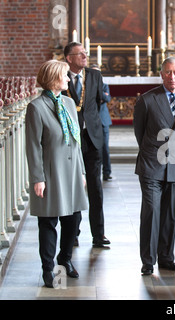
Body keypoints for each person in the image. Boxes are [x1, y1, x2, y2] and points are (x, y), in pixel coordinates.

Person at [25, 60, 88, 288]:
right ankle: (48, 269)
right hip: (50, 173)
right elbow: (33, 146)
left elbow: (76, 141)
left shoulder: (70, 103)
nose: (69, 79)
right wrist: (37, 178)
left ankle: (65, 259)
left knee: (74, 219)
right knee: (49, 222)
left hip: (71, 172)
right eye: (65, 75)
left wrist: (81, 170)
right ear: (53, 78)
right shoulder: (36, 107)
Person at [134, 57, 175, 275]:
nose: (172, 77)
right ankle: (148, 261)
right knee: (151, 212)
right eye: (168, 72)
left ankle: (167, 257)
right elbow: (139, 133)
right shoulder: (147, 100)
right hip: (151, 165)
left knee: (170, 214)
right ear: (161, 74)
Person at [63, 42, 110, 247]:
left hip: (92, 139)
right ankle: (73, 233)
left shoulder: (94, 75)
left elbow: (99, 101)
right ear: (69, 58)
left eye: (85, 53)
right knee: (74, 187)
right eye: (80, 54)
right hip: (70, 141)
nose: (84, 56)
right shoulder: (61, 75)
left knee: (95, 188)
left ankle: (98, 235)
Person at [91, 64, 113, 181]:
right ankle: (95, 173)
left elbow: (107, 98)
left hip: (103, 120)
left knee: (105, 148)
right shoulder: (87, 87)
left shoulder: (104, 85)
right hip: (92, 121)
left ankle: (107, 172)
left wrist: (100, 96)